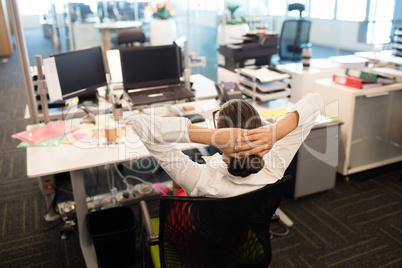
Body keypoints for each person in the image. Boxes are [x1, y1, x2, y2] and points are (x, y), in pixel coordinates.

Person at [126, 93, 323, 198]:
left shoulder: (198, 179)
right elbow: (315, 101)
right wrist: (278, 130)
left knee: (177, 187)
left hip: (199, 246)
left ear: (221, 137)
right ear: (260, 126)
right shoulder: (275, 166)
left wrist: (211, 136)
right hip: (243, 242)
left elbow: (139, 124)